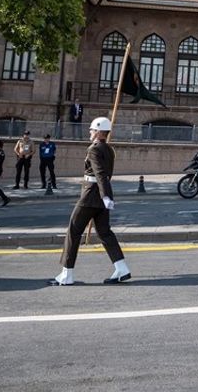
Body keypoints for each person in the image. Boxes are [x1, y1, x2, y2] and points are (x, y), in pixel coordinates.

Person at [50, 117, 129, 286]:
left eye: (92, 130)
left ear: (99, 131)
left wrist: (106, 195)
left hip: (90, 196)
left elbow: (100, 173)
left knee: (73, 231)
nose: (90, 132)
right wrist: (106, 196)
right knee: (104, 232)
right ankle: (121, 267)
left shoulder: (94, 149)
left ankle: (66, 274)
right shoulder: (109, 149)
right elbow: (107, 174)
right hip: (100, 196)